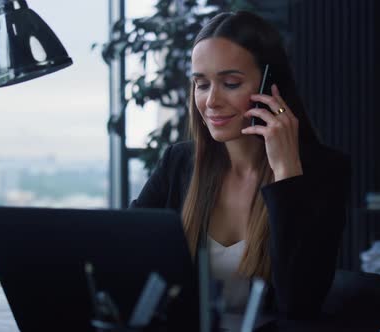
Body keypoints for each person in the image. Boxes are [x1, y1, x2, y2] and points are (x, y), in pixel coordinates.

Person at [130, 10, 350, 320]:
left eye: (230, 83)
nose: (211, 101)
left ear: (269, 86)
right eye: (201, 84)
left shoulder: (324, 170)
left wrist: (287, 175)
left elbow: (300, 302)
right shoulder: (178, 163)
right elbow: (124, 254)